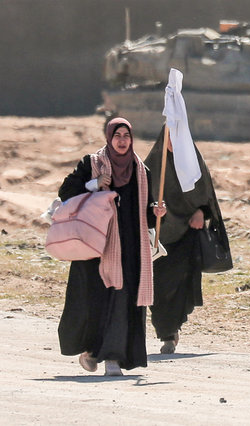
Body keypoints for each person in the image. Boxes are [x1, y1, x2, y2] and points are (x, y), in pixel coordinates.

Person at [57, 117, 166, 376]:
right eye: (117, 135)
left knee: (123, 301)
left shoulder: (142, 171)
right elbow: (66, 192)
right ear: (109, 137)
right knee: (96, 302)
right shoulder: (92, 164)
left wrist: (157, 212)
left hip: (130, 250)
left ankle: (113, 358)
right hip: (97, 249)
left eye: (126, 135)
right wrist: (95, 184)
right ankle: (93, 350)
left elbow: (147, 215)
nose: (122, 140)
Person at [145, 125, 226, 354]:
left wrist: (202, 213)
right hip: (158, 238)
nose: (173, 144)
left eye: (178, 138)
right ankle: (166, 332)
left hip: (185, 236)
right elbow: (140, 197)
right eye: (170, 138)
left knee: (179, 285)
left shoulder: (193, 164)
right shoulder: (151, 165)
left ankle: (171, 332)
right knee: (157, 289)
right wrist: (153, 212)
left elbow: (206, 197)